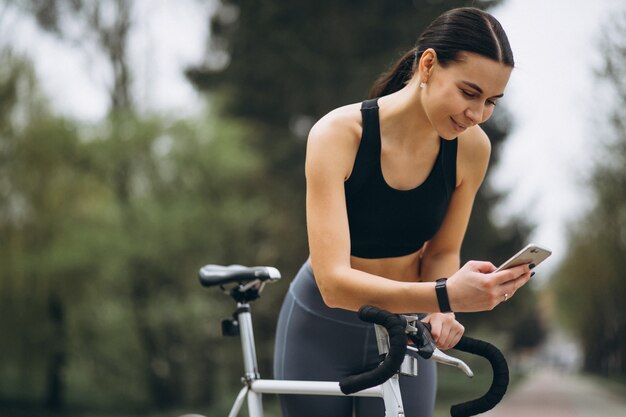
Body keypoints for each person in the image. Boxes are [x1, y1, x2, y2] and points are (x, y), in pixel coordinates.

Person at [273, 7, 534, 417]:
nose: (477, 114)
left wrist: (440, 309)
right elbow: (334, 285)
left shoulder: (472, 148)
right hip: (322, 325)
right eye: (469, 93)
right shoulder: (338, 135)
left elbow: (442, 252)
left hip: (407, 328)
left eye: (490, 102)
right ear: (428, 64)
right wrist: (444, 293)